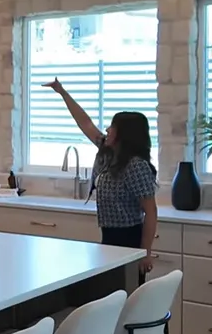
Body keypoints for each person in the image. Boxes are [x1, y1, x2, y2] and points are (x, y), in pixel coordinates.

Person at [42, 77, 158, 272]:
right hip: (109, 235)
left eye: (112, 127)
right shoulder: (108, 151)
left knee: (127, 294)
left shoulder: (136, 165)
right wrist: (62, 92)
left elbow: (151, 211)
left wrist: (145, 253)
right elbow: (85, 123)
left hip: (129, 237)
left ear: (124, 134)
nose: (107, 129)